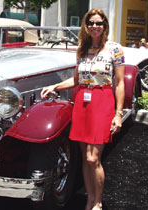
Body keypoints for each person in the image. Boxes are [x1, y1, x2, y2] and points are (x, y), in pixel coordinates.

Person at [41, 9, 125, 210]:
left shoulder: (115, 49)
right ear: (86, 26)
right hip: (82, 103)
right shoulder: (82, 49)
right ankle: (89, 200)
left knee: (93, 157)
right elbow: (77, 80)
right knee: (84, 159)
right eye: (91, 23)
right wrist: (55, 86)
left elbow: (120, 83)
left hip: (103, 101)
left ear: (105, 25)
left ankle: (98, 202)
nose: (95, 26)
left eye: (99, 23)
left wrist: (118, 114)